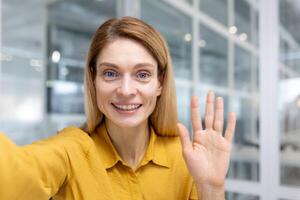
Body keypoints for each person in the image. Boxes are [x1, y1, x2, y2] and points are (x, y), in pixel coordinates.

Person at [0, 16, 236, 200]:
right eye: (110, 73)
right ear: (93, 80)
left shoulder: (185, 158)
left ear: (160, 83)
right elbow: (12, 178)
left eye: (142, 74)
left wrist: (212, 188)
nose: (125, 90)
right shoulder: (72, 150)